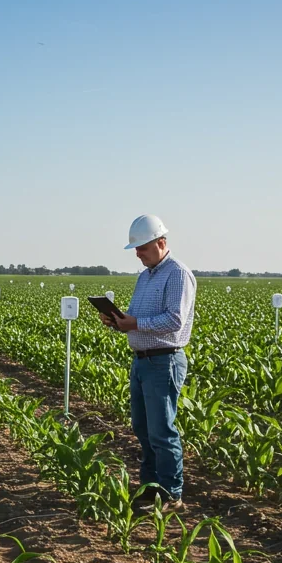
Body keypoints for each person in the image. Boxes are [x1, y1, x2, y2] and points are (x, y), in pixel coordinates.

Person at [99, 214, 197, 510]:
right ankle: (150, 487)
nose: (138, 254)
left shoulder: (178, 274)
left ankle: (171, 493)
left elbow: (174, 320)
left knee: (162, 431)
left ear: (161, 243)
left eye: (142, 248)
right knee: (143, 428)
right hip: (142, 362)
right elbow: (136, 318)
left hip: (163, 362)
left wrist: (135, 324)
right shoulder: (145, 276)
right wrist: (117, 322)